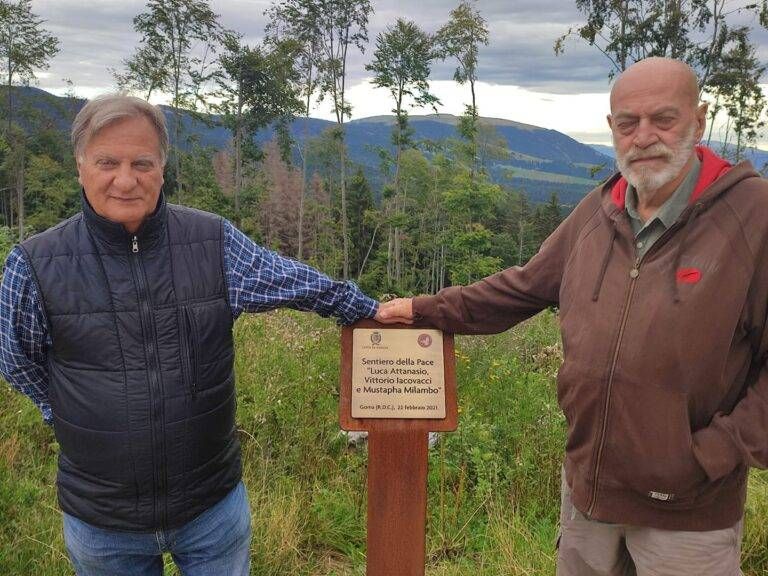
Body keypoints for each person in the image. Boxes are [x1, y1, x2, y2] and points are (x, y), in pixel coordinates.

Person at [377, 57, 768, 575]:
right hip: (589, 490)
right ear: (612, 128)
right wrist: (425, 310)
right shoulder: (599, 211)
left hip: (688, 512)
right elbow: (522, 288)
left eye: (663, 119)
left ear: (698, 120)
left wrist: (714, 454)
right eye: (627, 123)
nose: (643, 137)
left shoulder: (754, 215)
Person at [0, 94, 378, 576]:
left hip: (211, 508)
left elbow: (291, 281)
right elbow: (16, 359)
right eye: (107, 163)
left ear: (162, 167)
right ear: (80, 168)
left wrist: (371, 310)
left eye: (142, 163)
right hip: (102, 519)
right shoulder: (34, 264)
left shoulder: (212, 241)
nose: (125, 179)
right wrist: (62, 408)